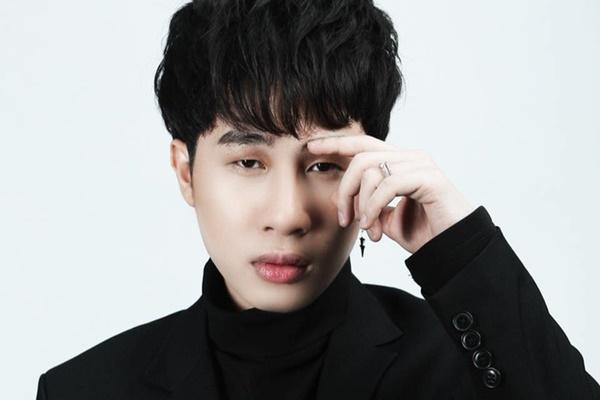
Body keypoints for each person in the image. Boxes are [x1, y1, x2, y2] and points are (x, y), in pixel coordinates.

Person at [36, 0, 600, 399]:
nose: (288, 216)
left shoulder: (468, 366)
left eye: (324, 166)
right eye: (249, 162)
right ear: (187, 173)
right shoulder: (84, 389)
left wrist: (459, 250)